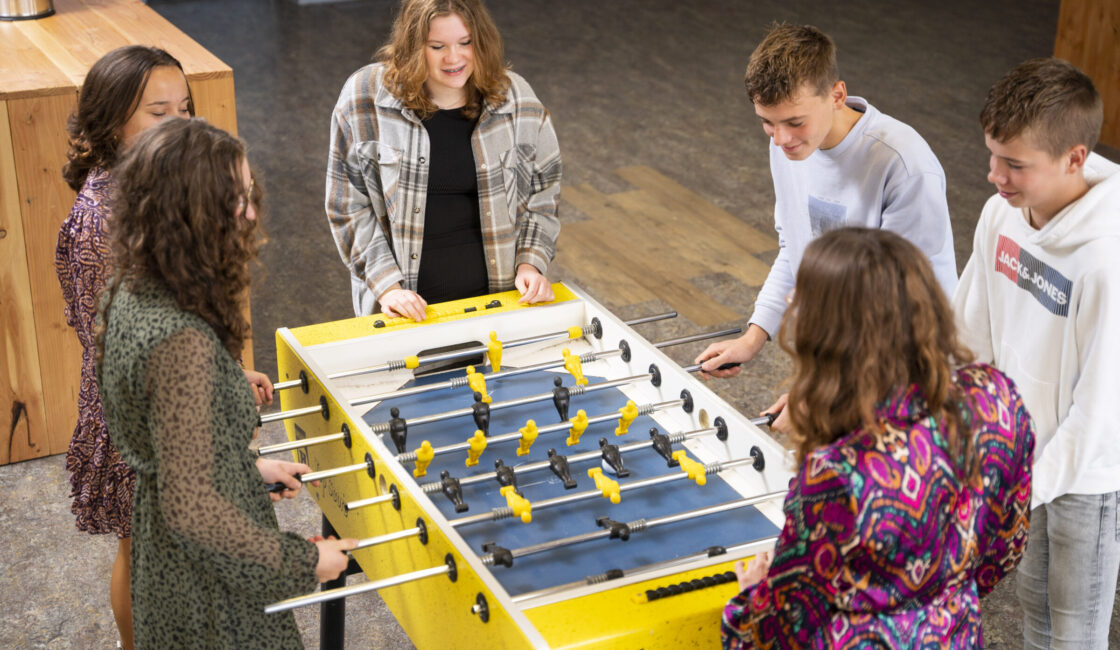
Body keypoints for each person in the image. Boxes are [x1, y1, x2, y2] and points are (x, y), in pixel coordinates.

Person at [96, 117, 357, 649]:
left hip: (167, 556)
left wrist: (247, 467)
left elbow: (171, 441)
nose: (252, 213)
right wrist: (306, 560)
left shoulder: (133, 287)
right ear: (187, 214)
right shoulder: (180, 341)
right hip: (206, 583)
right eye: (234, 201)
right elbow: (193, 510)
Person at [721, 228, 1034, 648]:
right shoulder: (997, 397)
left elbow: (781, 628)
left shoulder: (835, 471)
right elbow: (1006, 548)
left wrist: (749, 597)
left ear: (835, 332)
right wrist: (941, 598)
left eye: (805, 294)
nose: (792, 301)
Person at [696, 23, 957, 410]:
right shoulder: (788, 148)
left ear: (837, 95)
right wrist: (754, 335)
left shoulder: (904, 164)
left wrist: (820, 396)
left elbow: (895, 305)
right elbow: (796, 249)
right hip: (842, 355)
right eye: (767, 122)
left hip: (909, 369)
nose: (781, 138)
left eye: (795, 122)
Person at [952, 57, 1120, 648]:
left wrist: (1020, 488)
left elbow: (1100, 411)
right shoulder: (1002, 211)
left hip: (1084, 477)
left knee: (1073, 636)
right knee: (1034, 616)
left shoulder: (1107, 260)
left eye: (1015, 164)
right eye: (994, 154)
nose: (994, 175)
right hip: (1019, 457)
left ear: (1074, 158)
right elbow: (970, 332)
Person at [55, 45, 194, 650]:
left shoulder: (155, 180)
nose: (181, 123)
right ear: (114, 123)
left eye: (184, 108)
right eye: (159, 111)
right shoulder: (101, 220)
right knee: (143, 548)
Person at [326, 0, 561, 321]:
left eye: (466, 43)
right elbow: (347, 206)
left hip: (501, 306)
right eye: (437, 46)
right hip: (405, 312)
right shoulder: (363, 98)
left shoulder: (517, 98)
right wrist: (388, 287)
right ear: (412, 46)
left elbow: (543, 192)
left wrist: (530, 263)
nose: (454, 57)